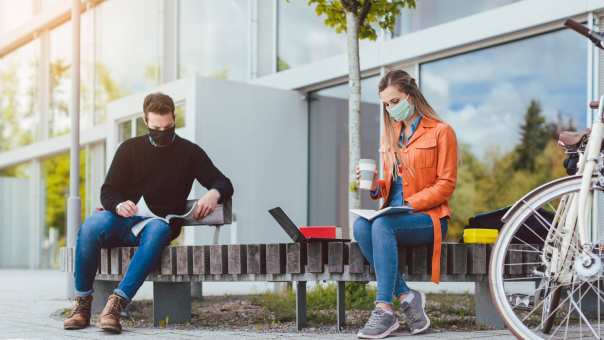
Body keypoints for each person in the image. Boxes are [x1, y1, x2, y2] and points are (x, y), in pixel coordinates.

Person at [63, 92, 234, 333]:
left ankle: (116, 305)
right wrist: (119, 205)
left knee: (159, 229)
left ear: (174, 118)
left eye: (168, 126)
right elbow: (108, 191)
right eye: (156, 128)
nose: (162, 132)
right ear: (146, 122)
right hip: (123, 220)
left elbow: (224, 182)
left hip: (158, 224)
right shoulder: (129, 149)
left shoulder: (190, 152)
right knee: (91, 226)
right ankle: (82, 306)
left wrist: (213, 193)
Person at [354, 69, 458, 339]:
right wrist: (377, 184)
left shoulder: (441, 132)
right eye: (386, 104)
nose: (391, 109)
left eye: (395, 102)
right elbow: (391, 185)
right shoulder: (390, 136)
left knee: (382, 225)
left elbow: (446, 185)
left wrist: (411, 204)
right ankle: (408, 297)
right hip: (393, 216)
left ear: (410, 96)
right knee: (361, 227)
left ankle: (384, 309)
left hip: (429, 218)